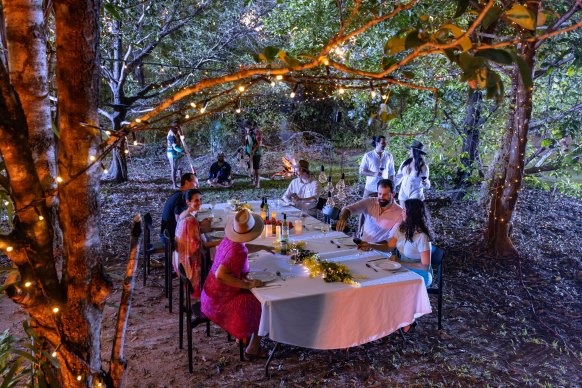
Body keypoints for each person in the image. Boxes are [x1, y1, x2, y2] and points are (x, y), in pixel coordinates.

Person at [201, 209, 268, 359]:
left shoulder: (229, 240)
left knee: (253, 295)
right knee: (263, 304)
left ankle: (242, 337)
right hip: (220, 303)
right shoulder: (238, 252)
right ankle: (253, 348)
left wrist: (265, 248)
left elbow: (242, 248)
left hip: (209, 294)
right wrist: (248, 285)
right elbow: (221, 274)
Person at [356, 199, 433, 287]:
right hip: (403, 268)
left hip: (420, 275)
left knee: (389, 284)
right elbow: (389, 247)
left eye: (404, 211)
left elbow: (425, 267)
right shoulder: (402, 229)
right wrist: (371, 245)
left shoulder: (422, 236)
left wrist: (400, 262)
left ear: (412, 214)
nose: (401, 213)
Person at [174, 189, 218, 297]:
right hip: (188, 262)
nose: (200, 203)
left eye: (201, 200)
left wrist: (200, 225)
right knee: (218, 259)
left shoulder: (184, 214)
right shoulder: (190, 220)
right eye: (196, 200)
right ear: (188, 202)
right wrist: (220, 242)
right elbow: (199, 247)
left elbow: (190, 235)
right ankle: (211, 293)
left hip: (178, 258)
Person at [335, 179, 402, 243]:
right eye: (379, 194)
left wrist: (371, 245)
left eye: (385, 195)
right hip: (362, 244)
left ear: (393, 194)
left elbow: (392, 240)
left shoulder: (400, 213)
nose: (381, 197)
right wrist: (343, 219)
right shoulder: (370, 202)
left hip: (381, 251)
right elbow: (348, 209)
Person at [358, 135, 395, 235]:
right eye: (383, 143)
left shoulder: (388, 156)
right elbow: (362, 171)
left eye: (385, 143)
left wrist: (392, 188)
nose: (385, 145)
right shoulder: (368, 155)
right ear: (377, 143)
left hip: (384, 190)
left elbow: (391, 173)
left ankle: (378, 235)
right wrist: (373, 174)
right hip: (370, 188)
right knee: (364, 210)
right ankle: (359, 232)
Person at [161, 173, 197, 242]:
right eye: (195, 183)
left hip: (167, 233)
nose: (196, 187)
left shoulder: (178, 194)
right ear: (186, 183)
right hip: (171, 238)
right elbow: (181, 223)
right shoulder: (181, 197)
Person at [167, 121, 185, 188]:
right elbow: (174, 146)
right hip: (172, 153)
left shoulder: (176, 133)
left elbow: (182, 138)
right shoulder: (171, 135)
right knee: (174, 169)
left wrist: (180, 133)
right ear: (173, 127)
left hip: (178, 152)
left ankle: (182, 182)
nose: (178, 128)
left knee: (180, 168)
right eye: (177, 127)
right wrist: (182, 151)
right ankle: (174, 185)